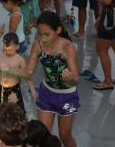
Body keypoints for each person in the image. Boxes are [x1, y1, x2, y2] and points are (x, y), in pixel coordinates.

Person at [25, 11, 79, 147]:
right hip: (46, 94)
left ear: (58, 30)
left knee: (65, 136)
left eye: (47, 34)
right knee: (43, 138)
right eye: (40, 34)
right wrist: (31, 87)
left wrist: (68, 78)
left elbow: (76, 79)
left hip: (67, 97)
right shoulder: (38, 45)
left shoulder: (68, 47)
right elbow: (28, 72)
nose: (42, 39)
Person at [0, 33, 33, 113]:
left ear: (17, 47)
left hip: (14, 89)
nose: (8, 52)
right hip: (1, 88)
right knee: (0, 112)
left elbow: (26, 75)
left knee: (17, 111)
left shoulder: (20, 60)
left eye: (10, 50)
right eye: (5, 49)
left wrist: (32, 89)